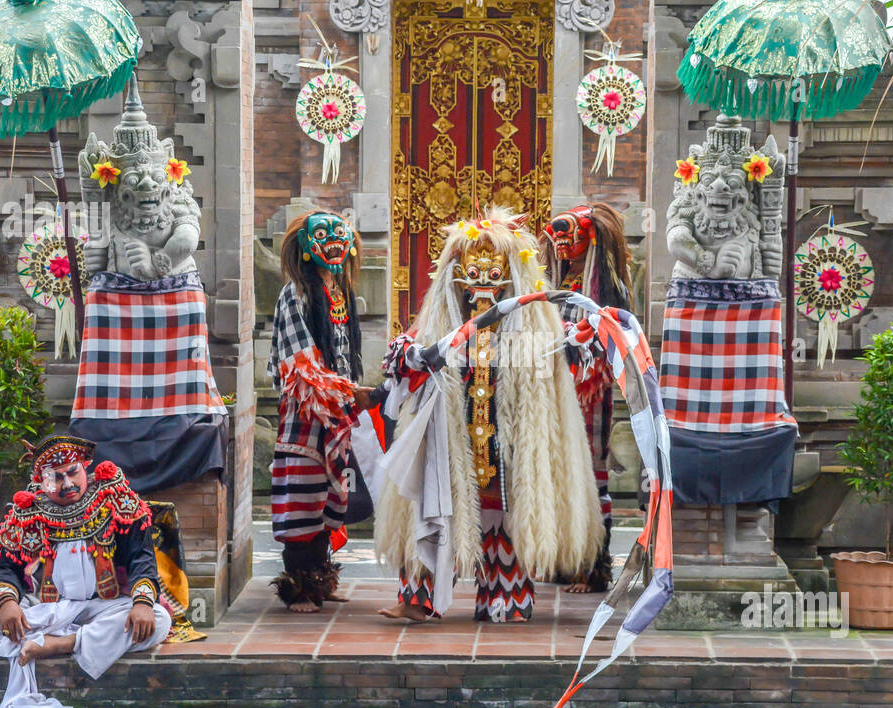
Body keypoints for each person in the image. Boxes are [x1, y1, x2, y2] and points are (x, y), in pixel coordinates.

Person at [375, 209, 603, 623]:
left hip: (510, 433)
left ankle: (505, 594)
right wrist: (410, 355)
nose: (482, 278)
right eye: (473, 269)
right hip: (448, 434)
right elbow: (408, 360)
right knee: (431, 506)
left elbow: (560, 357)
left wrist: (576, 342)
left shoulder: (534, 324)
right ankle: (417, 597)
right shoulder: (440, 324)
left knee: (508, 508)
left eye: (492, 270)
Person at [0, 435, 172, 708]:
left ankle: (61, 643)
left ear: (85, 467)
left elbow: (141, 558)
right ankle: (80, 640)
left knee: (158, 620)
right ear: (40, 481)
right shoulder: (26, 514)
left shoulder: (114, 499)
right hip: (46, 609)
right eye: (55, 478)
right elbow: (4, 567)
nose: (67, 484)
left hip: (103, 607)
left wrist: (142, 604)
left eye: (72, 473)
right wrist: (7, 604)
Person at [267, 210, 379, 612]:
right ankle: (298, 585)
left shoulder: (341, 291)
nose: (333, 240)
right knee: (303, 492)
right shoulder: (295, 293)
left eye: (340, 233)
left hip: (337, 411)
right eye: (323, 234)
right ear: (306, 247)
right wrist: (348, 394)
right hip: (306, 411)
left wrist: (348, 397)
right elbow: (301, 364)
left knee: (331, 492)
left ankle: (321, 576)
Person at [541, 203, 633, 593]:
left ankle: (593, 566)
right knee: (557, 474)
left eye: (569, 240)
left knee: (591, 476)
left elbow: (614, 340)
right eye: (557, 241)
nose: (562, 248)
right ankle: (564, 560)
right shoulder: (558, 284)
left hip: (590, 393)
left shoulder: (609, 290)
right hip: (556, 390)